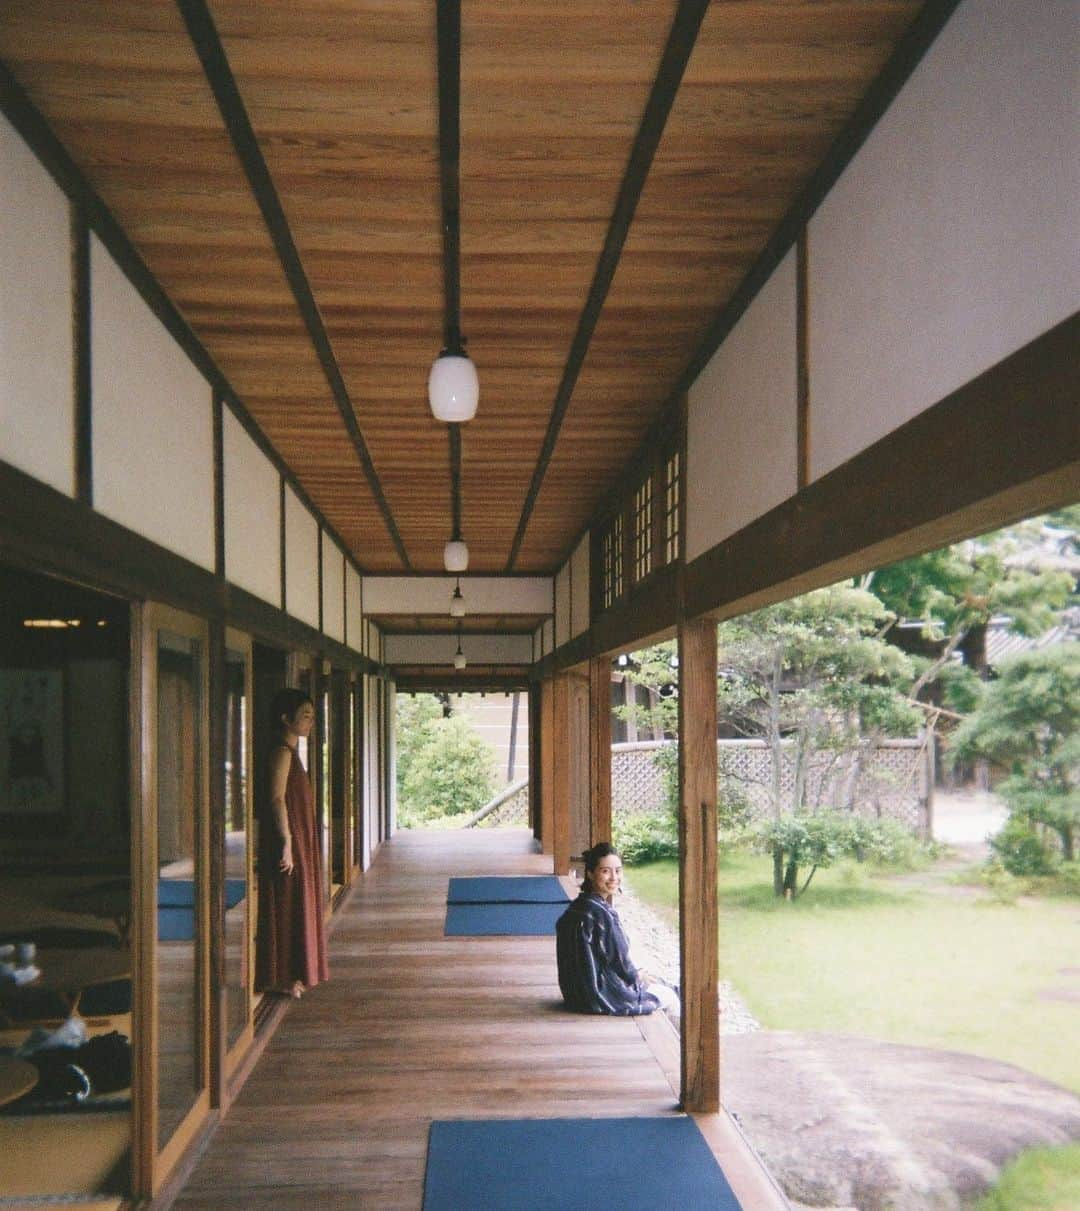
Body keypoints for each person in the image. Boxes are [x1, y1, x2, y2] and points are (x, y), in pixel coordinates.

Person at [255, 689, 329, 999]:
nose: (312, 721)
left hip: (298, 836)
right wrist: (287, 842)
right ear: (286, 718)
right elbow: (275, 799)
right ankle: (280, 976)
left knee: (297, 900)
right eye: (306, 716)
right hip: (288, 838)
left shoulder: (291, 750)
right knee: (286, 902)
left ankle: (292, 972)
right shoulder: (282, 752)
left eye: (313, 715)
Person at [555, 841, 678, 1016]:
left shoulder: (579, 906)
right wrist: (638, 978)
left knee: (658, 982)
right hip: (598, 996)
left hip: (574, 994)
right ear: (590, 874)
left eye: (618, 870)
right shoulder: (599, 914)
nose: (614, 877)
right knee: (669, 997)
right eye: (605, 871)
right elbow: (622, 964)